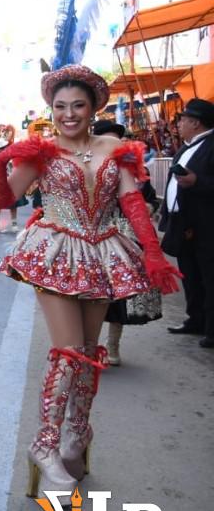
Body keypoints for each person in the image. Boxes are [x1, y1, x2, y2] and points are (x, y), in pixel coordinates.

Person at [0, 62, 180, 498]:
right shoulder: (42, 151)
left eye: (78, 105)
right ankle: (45, 444)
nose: (69, 114)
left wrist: (153, 252)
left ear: (94, 107)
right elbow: (3, 199)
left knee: (90, 352)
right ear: (50, 109)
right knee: (70, 351)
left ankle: (77, 433)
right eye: (60, 106)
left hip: (102, 251)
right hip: (55, 251)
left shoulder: (114, 147)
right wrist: (3, 162)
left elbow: (131, 201)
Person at [88, 121, 163, 364]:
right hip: (93, 239)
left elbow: (149, 199)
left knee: (120, 297)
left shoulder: (132, 166)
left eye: (116, 140)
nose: (112, 145)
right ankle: (88, 347)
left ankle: (113, 347)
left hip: (127, 238)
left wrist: (147, 208)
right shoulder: (86, 166)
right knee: (91, 294)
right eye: (106, 140)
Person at [161, 98, 214, 348]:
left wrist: (197, 181)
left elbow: (201, 181)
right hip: (183, 223)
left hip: (206, 225)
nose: (178, 124)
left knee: (208, 276)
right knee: (190, 275)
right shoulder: (186, 147)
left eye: (182, 120)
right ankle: (196, 319)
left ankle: (211, 329)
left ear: (195, 122)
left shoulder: (211, 146)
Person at [0, 138, 24, 232]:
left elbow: (14, 167)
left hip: (10, 180)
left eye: (2, 148)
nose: (0, 150)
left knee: (13, 203)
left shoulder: (10, 157)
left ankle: (14, 224)